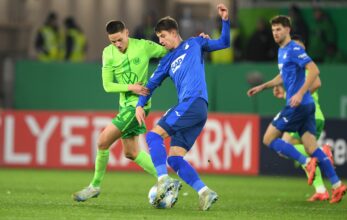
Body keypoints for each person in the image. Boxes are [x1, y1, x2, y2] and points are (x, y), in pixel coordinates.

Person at [135, 3, 230, 211]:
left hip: (193, 102)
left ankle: (163, 180)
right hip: (196, 110)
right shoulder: (166, 61)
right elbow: (149, 86)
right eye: (158, 38)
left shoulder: (196, 43)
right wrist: (140, 105)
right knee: (175, 158)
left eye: (162, 37)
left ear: (173, 32)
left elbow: (224, 42)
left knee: (153, 136)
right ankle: (205, 192)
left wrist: (224, 21)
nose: (160, 41)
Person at [247, 15, 347, 204]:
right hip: (306, 106)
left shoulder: (293, 48)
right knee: (311, 147)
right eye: (273, 30)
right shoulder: (281, 51)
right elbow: (281, 76)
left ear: (288, 30)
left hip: (299, 105)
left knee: (268, 139)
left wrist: (300, 93)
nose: (275, 33)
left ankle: (306, 162)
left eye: (279, 29)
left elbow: (315, 71)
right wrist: (262, 87)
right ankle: (337, 185)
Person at [72, 20, 168, 202]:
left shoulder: (143, 46)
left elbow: (170, 50)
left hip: (139, 106)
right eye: (112, 41)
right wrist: (131, 87)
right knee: (131, 152)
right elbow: (107, 85)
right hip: (125, 106)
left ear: (127, 32)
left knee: (102, 142)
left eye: (119, 40)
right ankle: (166, 179)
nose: (117, 45)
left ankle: (95, 186)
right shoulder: (108, 53)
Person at [272, 34, 335, 202]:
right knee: (303, 157)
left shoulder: (303, 64)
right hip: (315, 115)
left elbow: (317, 83)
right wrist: (284, 94)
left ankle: (322, 154)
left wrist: (296, 96)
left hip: (308, 115)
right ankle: (321, 190)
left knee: (284, 146)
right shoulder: (296, 66)